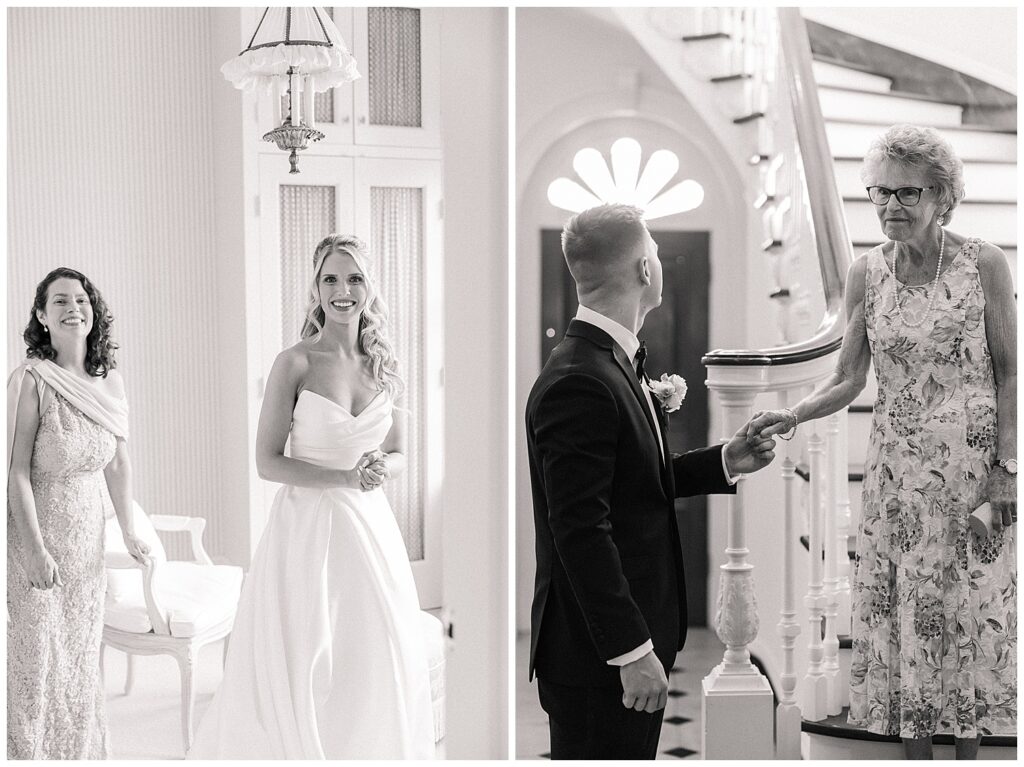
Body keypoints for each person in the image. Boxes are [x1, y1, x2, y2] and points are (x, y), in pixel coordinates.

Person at [748, 124, 1017, 759]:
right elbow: (847, 376)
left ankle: (970, 752)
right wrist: (794, 416)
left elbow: (1009, 372)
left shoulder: (984, 263)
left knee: (973, 617)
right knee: (907, 618)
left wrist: (1007, 468)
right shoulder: (867, 272)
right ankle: (917, 753)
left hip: (972, 474)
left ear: (942, 196)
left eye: (906, 193)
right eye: (879, 192)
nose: (890, 206)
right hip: (898, 478)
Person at [526, 204, 778, 760]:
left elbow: (632, 483)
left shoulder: (609, 362)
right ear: (644, 269)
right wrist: (631, 650)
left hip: (619, 648)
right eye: (657, 252)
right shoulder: (580, 380)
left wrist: (724, 461)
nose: (661, 261)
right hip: (602, 659)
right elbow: (580, 529)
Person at [188, 235, 434, 759]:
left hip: (369, 529)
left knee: (372, 652)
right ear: (316, 288)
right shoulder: (295, 362)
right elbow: (267, 461)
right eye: (331, 279)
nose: (343, 290)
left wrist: (378, 470)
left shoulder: (383, 364)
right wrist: (344, 478)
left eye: (354, 279)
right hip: (306, 530)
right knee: (307, 654)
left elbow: (401, 452)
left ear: (369, 287)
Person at [7, 267, 150, 759]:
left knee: (79, 661)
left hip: (86, 542)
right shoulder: (31, 380)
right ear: (43, 317)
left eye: (82, 300)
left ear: (94, 312)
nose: (74, 308)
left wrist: (129, 531)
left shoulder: (109, 381)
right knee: (38, 660)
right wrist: (33, 550)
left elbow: (119, 462)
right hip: (40, 537)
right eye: (60, 301)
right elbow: (17, 473)